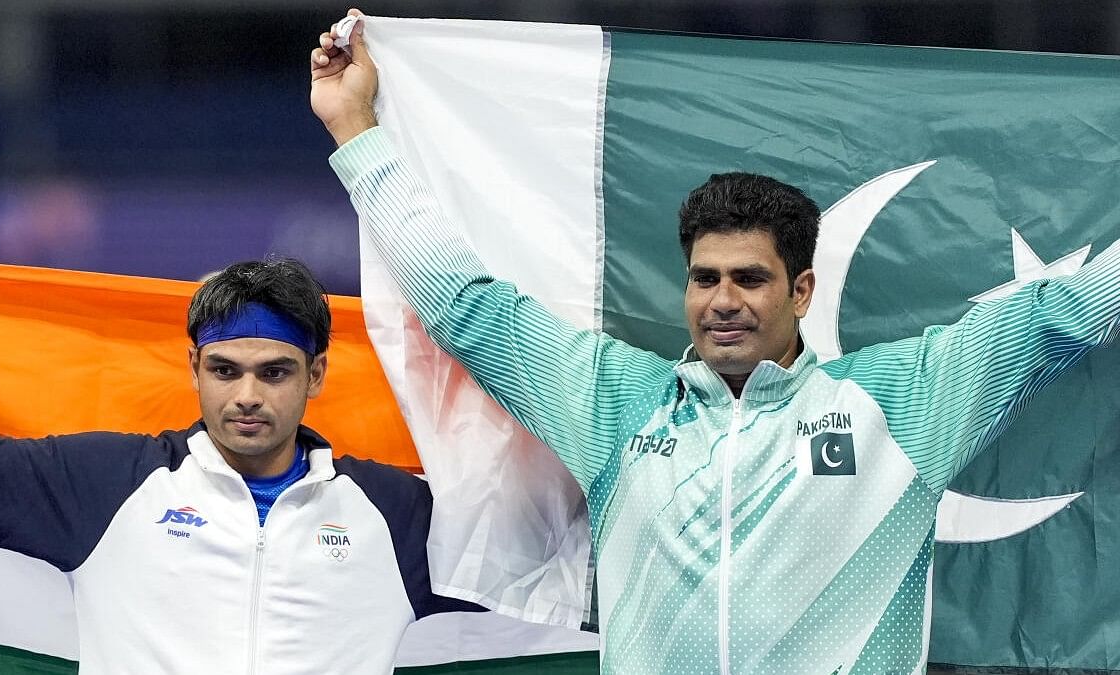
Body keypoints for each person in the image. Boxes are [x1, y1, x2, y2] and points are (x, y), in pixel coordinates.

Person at [309, 12, 1120, 674]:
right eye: (705, 278)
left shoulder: (904, 401)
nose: (722, 302)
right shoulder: (615, 401)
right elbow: (463, 304)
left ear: (801, 291)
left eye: (750, 279)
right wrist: (353, 125)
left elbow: (1068, 310)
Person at [0, 257, 479, 674]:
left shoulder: (395, 515)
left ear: (315, 375)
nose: (247, 395)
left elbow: (547, 560)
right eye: (225, 370)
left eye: (276, 373)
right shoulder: (107, 485)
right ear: (194, 367)